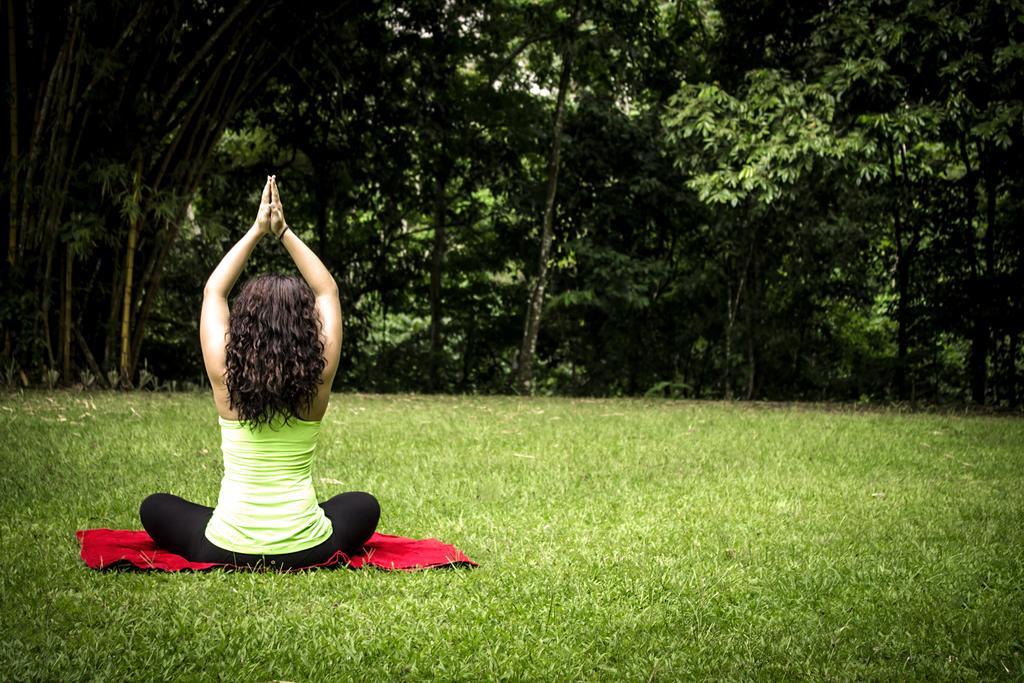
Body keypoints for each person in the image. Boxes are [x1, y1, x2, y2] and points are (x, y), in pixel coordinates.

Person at [139, 175, 379, 570]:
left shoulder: (225, 375)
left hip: (223, 546)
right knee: (363, 505)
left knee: (155, 507)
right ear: (305, 329)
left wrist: (256, 231)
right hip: (309, 548)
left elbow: (214, 291)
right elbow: (327, 292)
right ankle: (292, 520)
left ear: (245, 323)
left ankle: (260, 522)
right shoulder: (317, 376)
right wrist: (283, 232)